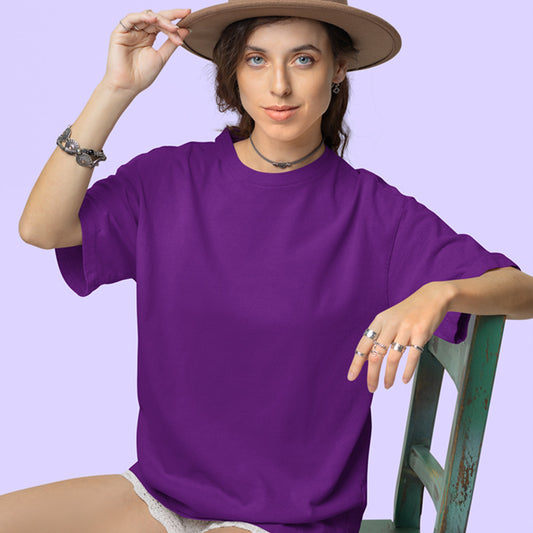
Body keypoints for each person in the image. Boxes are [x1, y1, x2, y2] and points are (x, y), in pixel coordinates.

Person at [7, 1, 533, 533]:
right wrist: (116, 89)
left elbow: (522, 291)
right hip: (165, 493)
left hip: (292, 517)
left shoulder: (376, 214)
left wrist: (440, 293)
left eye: (303, 60)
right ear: (233, 71)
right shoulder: (168, 179)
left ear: (338, 69)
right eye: (256, 60)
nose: (279, 86)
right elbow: (42, 229)